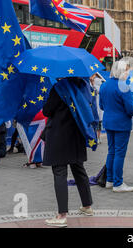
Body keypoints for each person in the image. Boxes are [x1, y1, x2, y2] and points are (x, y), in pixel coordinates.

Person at [42, 78, 94, 227]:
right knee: (79, 170)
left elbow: (47, 110)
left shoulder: (59, 88)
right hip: (77, 134)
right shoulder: (83, 86)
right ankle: (87, 206)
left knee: (59, 172)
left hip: (59, 135)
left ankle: (62, 215)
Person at [99, 60, 133, 192]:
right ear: (121, 71)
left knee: (111, 151)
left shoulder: (104, 85)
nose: (128, 73)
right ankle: (118, 183)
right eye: (127, 70)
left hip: (108, 122)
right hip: (121, 123)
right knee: (120, 153)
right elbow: (131, 109)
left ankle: (109, 180)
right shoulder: (124, 86)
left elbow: (101, 106)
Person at [90, 73, 104, 143]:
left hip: (98, 107)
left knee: (98, 123)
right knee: (93, 123)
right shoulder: (89, 85)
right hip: (92, 107)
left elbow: (96, 92)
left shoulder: (99, 84)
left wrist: (93, 84)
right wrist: (92, 83)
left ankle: (98, 138)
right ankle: (94, 137)